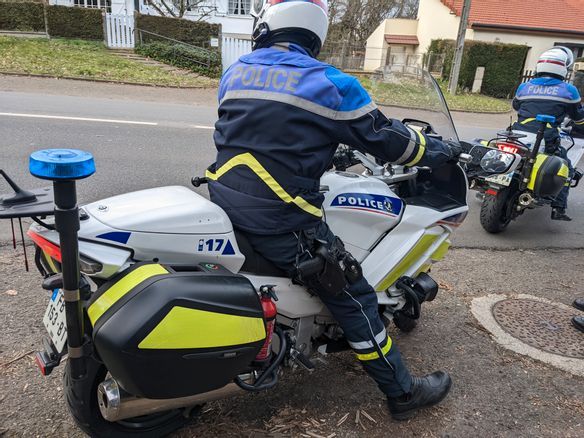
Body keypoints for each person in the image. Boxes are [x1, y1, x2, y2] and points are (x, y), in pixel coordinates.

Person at [207, 0, 459, 420]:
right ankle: (401, 392)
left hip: (229, 198)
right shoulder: (330, 82)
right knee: (353, 294)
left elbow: (267, 130)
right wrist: (441, 150)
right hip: (281, 219)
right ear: (315, 34)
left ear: (267, 27)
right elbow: (390, 141)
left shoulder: (237, 70)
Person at [512, 46, 584, 221]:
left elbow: (516, 106)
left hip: (518, 134)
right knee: (566, 166)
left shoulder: (524, 87)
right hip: (546, 137)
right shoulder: (569, 90)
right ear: (562, 68)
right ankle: (558, 207)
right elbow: (578, 117)